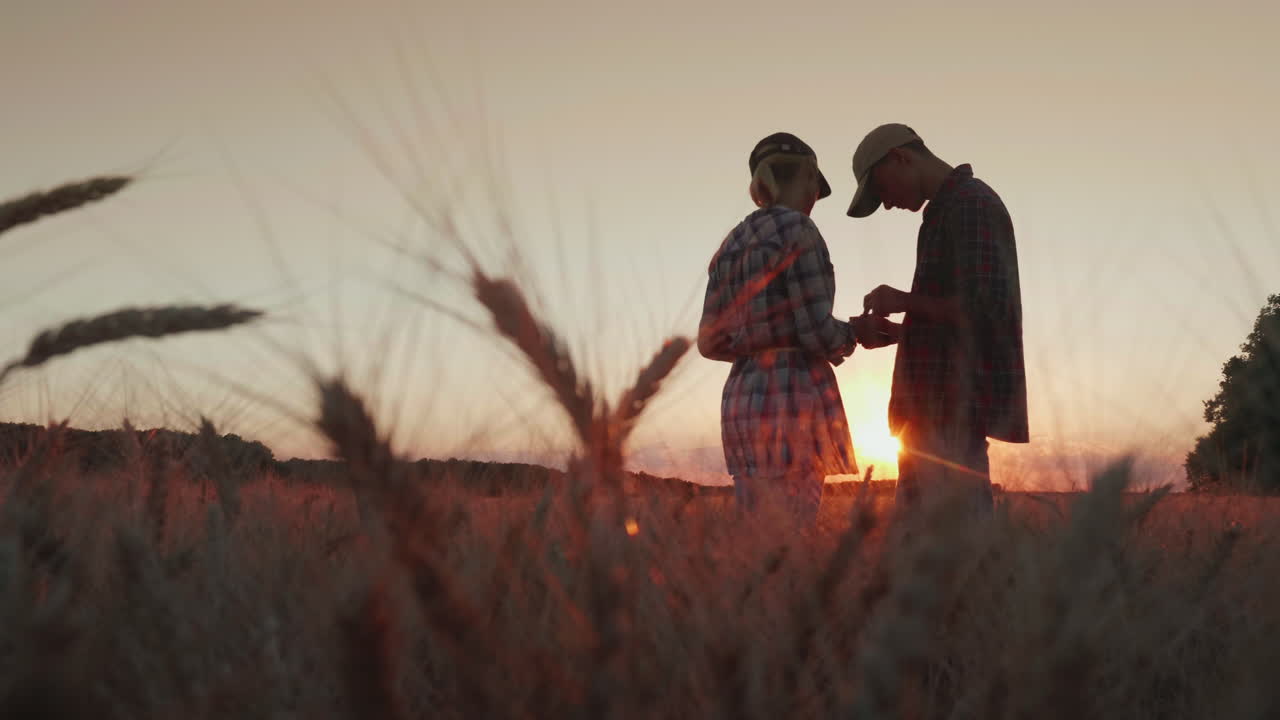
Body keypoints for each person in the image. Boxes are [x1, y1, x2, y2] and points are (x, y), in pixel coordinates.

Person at [698, 132, 894, 526]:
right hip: (791, 403)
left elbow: (708, 342)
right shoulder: (799, 232)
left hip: (741, 405)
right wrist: (857, 332)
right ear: (807, 175)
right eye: (814, 187)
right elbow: (816, 333)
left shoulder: (730, 244)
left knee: (757, 545)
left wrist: (754, 341)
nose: (814, 201)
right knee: (793, 543)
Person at [846, 123, 1028, 515]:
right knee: (927, 559)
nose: (888, 204)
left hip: (950, 412)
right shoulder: (947, 210)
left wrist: (904, 301)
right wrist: (901, 333)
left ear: (901, 158)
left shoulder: (971, 204)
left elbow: (986, 309)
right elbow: (957, 316)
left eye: (881, 190)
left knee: (955, 555)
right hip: (931, 414)